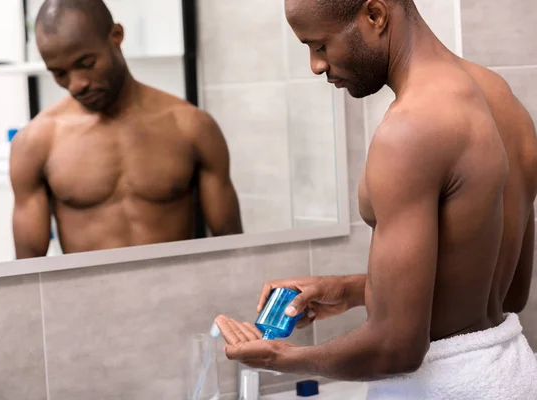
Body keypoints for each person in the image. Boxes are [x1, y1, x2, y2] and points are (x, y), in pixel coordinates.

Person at [215, 0, 537, 397]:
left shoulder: (410, 128)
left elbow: (395, 348)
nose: (316, 65)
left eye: (319, 45)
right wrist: (351, 289)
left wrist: (284, 357)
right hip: (509, 372)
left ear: (375, 15)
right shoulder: (502, 99)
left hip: (442, 387)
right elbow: (509, 290)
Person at [10, 0, 242, 258]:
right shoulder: (36, 142)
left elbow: (230, 244)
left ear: (116, 36)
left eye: (86, 63)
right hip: (87, 296)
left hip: (180, 292)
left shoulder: (191, 127)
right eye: (59, 73)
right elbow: (28, 269)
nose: (76, 85)